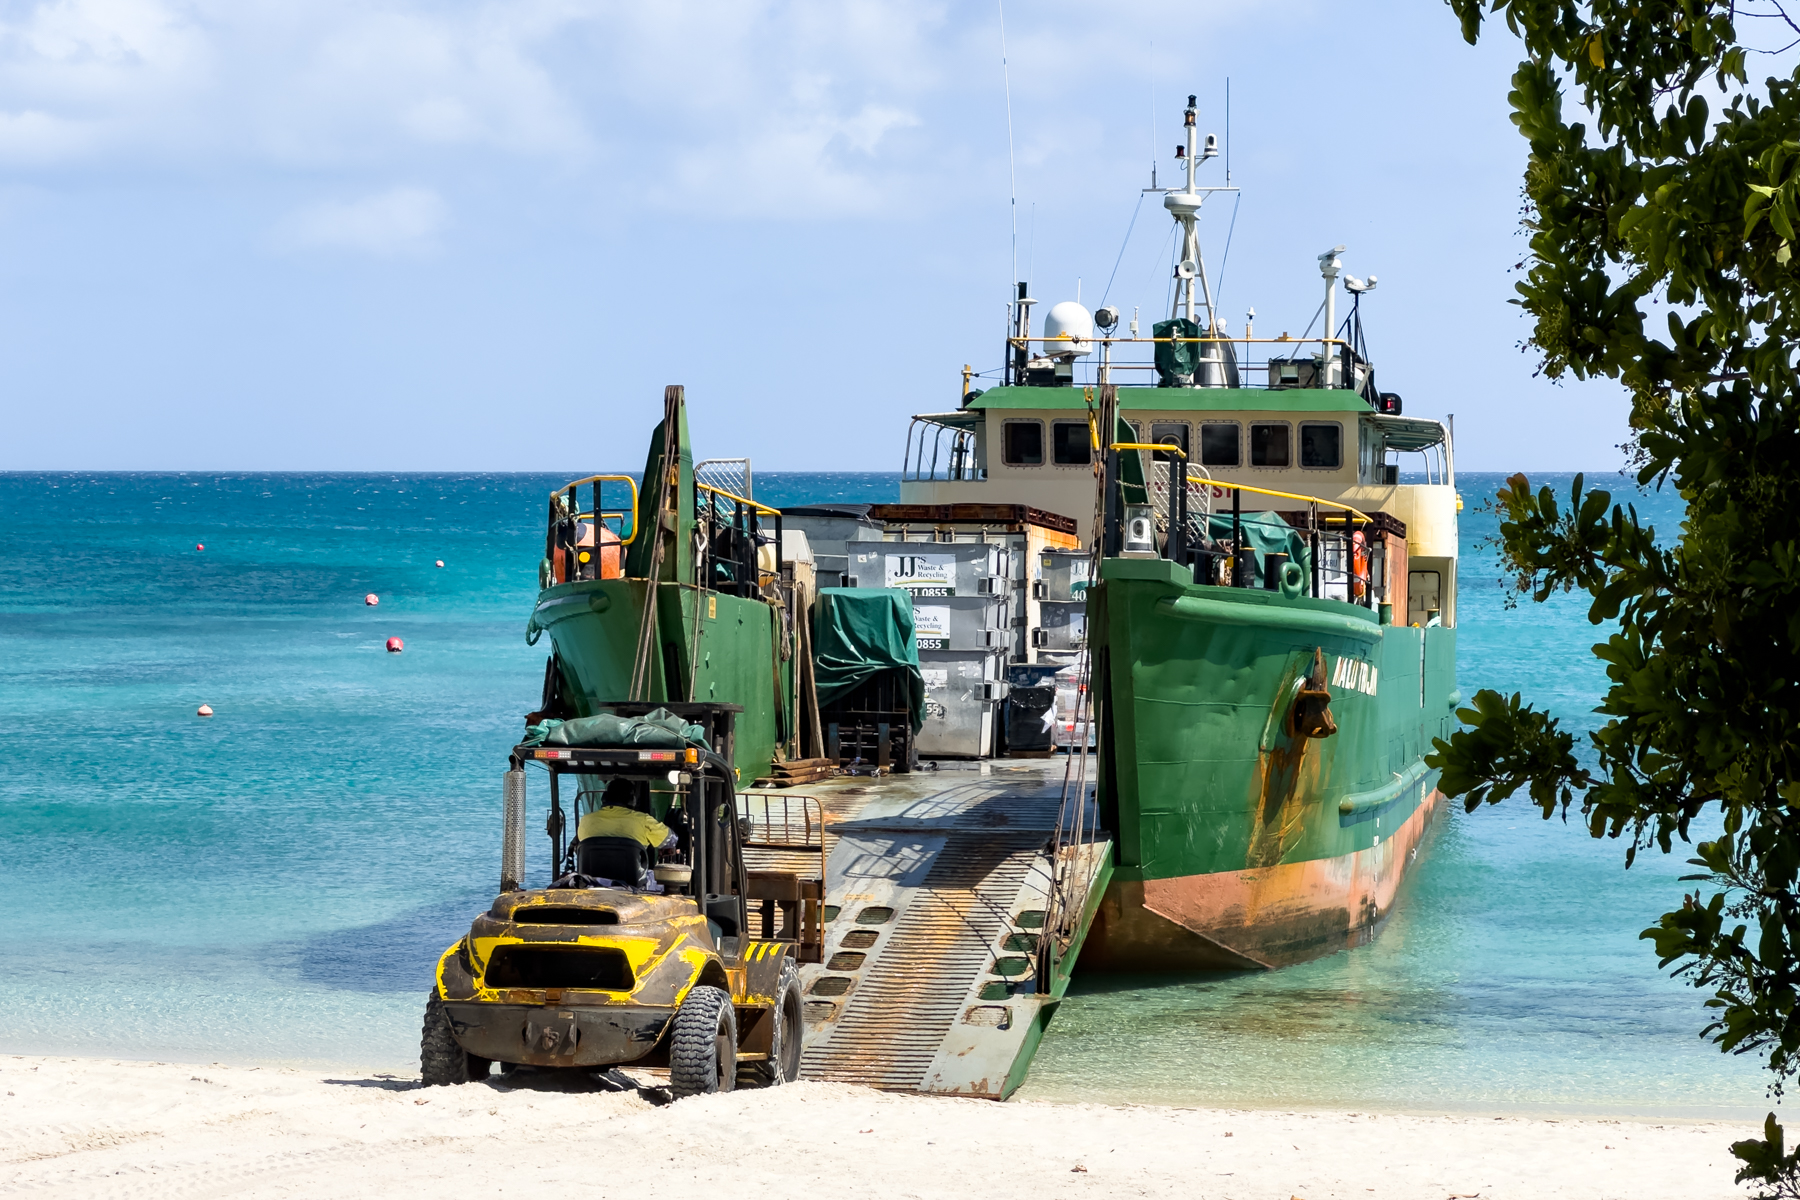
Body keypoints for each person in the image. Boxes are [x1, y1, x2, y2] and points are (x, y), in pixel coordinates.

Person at [576, 778, 678, 851]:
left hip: (592, 877)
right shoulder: (643, 820)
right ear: (631, 800)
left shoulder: (586, 820)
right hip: (631, 879)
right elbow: (670, 840)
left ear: (604, 798)